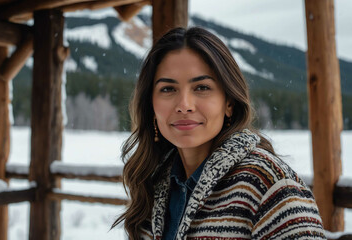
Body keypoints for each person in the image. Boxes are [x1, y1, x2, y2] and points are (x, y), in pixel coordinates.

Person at [112, 27, 326, 240]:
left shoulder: (270, 184)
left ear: (229, 103)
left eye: (202, 87)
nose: (184, 105)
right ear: (151, 104)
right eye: (168, 89)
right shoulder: (154, 185)